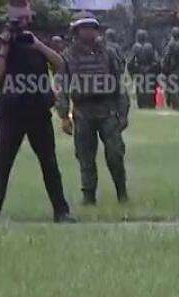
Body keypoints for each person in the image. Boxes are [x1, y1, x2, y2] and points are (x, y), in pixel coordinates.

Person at [0, 8, 73, 224]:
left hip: (38, 112)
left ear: (31, 17)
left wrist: (39, 46)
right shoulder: (2, 43)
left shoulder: (36, 41)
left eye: (25, 17)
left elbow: (60, 64)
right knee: (2, 163)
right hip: (12, 112)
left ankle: (61, 212)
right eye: (18, 18)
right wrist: (5, 47)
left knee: (49, 163)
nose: (22, 22)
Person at [57, 13, 130, 206]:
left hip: (107, 110)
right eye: (84, 28)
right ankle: (89, 197)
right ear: (76, 31)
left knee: (115, 153)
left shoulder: (109, 53)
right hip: (83, 112)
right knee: (85, 156)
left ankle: (122, 193)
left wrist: (123, 113)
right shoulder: (68, 56)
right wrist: (64, 115)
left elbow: (119, 84)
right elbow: (62, 86)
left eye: (92, 27)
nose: (89, 32)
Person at [128, 30, 158, 110]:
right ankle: (151, 105)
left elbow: (131, 61)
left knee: (141, 90)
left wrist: (132, 72)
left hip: (140, 71)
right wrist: (154, 70)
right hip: (150, 71)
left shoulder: (136, 47)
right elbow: (156, 61)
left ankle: (142, 105)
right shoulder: (150, 47)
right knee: (150, 89)